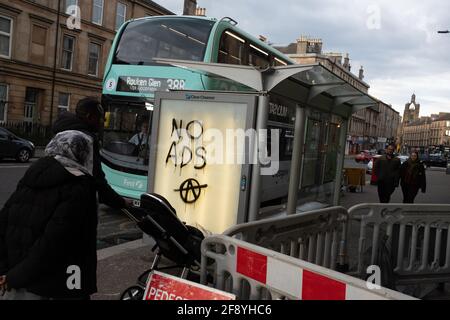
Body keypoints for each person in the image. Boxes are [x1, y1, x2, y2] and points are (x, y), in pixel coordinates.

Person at [0, 131, 98, 300]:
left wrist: (7, 274)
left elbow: (3, 224)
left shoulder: (30, 176)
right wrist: (15, 276)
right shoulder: (80, 186)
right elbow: (54, 242)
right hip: (58, 284)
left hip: (16, 280)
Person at [52, 97, 129, 209]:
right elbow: (97, 179)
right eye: (100, 118)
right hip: (71, 204)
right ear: (89, 117)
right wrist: (121, 202)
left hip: (52, 199)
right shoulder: (86, 139)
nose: (102, 122)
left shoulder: (61, 132)